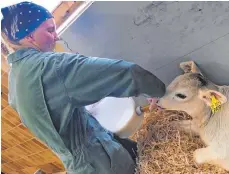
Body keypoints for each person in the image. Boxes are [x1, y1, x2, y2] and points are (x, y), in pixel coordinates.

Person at [1, 2, 165, 174]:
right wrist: (161, 93)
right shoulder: (51, 66)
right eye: (49, 30)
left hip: (76, 166)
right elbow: (129, 73)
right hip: (102, 163)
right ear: (30, 37)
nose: (56, 36)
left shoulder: (14, 79)